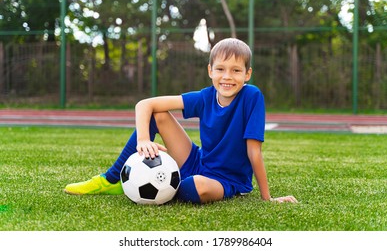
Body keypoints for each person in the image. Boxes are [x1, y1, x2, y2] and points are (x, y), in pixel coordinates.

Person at [64, 38, 298, 204]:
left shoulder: (252, 97)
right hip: (197, 160)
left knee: (196, 187)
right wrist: (144, 140)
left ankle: (166, 184)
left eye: (236, 71)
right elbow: (144, 104)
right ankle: (111, 179)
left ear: (247, 74)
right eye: (221, 69)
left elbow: (254, 152)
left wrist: (267, 198)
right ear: (210, 71)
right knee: (159, 115)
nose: (227, 77)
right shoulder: (206, 96)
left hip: (227, 180)